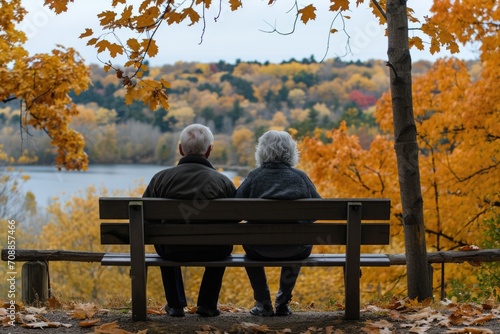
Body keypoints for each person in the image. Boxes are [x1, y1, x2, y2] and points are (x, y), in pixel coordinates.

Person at [142, 124, 236, 317]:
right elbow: (237, 217)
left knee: (165, 237)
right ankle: (207, 305)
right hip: (214, 250)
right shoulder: (223, 182)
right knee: (223, 239)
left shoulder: (160, 179)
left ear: (180, 149)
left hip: (171, 250)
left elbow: (144, 214)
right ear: (209, 150)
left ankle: (175, 305)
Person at [235, 130, 321, 316]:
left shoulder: (254, 176)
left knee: (249, 241)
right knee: (297, 239)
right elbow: (318, 211)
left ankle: (263, 302)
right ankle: (283, 301)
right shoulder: (300, 177)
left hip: (258, 250)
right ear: (290, 151)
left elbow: (235, 209)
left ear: (262, 151)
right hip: (296, 249)